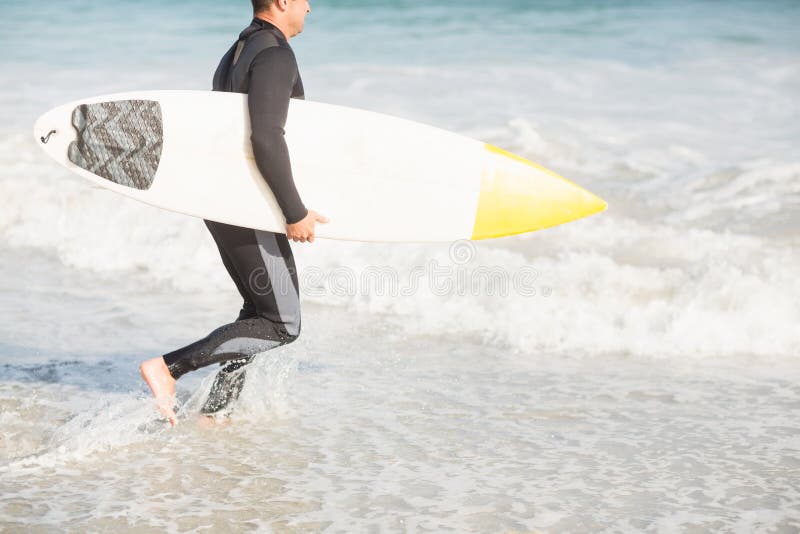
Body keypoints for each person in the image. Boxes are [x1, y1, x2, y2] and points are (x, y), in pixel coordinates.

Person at [139, 0, 327, 425]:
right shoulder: (276, 54)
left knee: (257, 313)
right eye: (303, 0)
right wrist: (295, 211)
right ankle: (168, 368)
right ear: (282, 2)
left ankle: (216, 411)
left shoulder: (237, 53)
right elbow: (266, 138)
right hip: (246, 204)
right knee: (283, 324)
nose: (310, 8)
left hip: (223, 201)